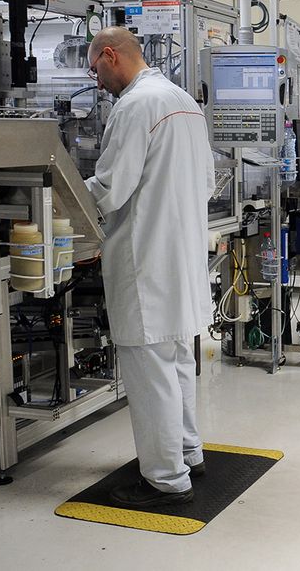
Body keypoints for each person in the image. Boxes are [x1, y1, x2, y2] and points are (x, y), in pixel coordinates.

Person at [84, 27, 215, 508]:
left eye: (96, 68)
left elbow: (111, 187)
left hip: (146, 262)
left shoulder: (136, 105)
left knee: (151, 373)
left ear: (111, 56)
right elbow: (205, 181)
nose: (97, 82)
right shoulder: (182, 100)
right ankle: (188, 452)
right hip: (180, 256)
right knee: (177, 361)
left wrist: (59, 196)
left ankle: (165, 480)